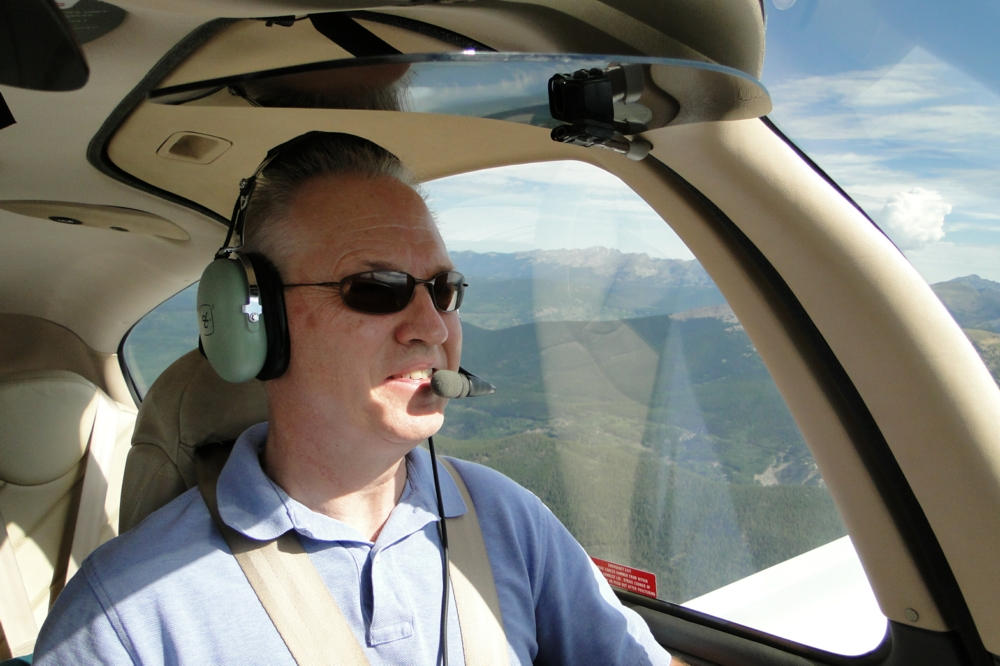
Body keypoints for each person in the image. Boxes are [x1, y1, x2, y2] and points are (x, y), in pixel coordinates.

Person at [34, 133, 678, 664]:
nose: (432, 327)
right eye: (376, 287)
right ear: (253, 325)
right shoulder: (122, 617)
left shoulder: (510, 522)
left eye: (444, 289)